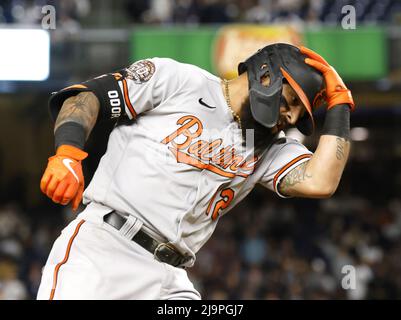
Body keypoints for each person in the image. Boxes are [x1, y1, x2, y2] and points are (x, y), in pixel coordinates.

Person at [37, 43, 354, 300]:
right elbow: (86, 97)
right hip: (105, 249)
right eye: (291, 101)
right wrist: (67, 151)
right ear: (265, 73)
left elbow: (320, 181)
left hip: (169, 277)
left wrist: (339, 107)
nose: (291, 115)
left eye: (300, 114)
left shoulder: (269, 146)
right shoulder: (179, 80)